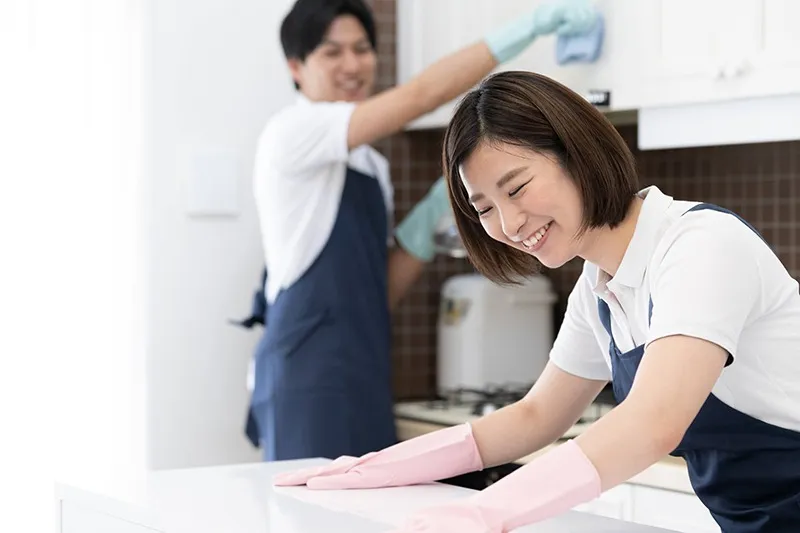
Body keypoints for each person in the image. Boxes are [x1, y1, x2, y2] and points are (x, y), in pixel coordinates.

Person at [272, 70, 800, 533]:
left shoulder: (700, 247)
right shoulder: (600, 286)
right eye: (485, 207)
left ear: (576, 152)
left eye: (517, 188)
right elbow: (536, 416)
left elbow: (653, 421)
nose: (508, 224)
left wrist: (489, 511)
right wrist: (372, 469)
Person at [245, 0, 600, 463]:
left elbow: (380, 290)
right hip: (308, 375)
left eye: (362, 48)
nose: (352, 65)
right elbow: (417, 98)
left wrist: (430, 221)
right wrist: (529, 27)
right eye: (333, 53)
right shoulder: (292, 132)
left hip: (364, 366)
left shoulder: (369, 163)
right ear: (296, 66)